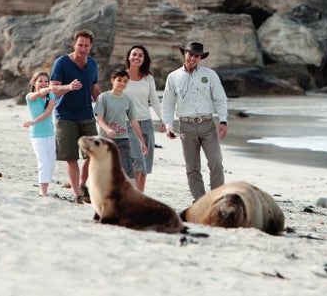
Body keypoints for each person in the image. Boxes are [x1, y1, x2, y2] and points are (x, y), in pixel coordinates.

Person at [162, 41, 229, 200]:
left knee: (216, 163)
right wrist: (169, 126)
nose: (193, 58)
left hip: (207, 125)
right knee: (192, 168)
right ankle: (200, 201)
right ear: (184, 54)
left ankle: (216, 199)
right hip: (186, 126)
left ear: (200, 58)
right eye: (190, 54)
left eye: (197, 56)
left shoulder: (210, 75)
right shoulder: (173, 77)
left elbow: (220, 98)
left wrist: (223, 121)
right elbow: (168, 104)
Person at [50, 29, 101, 204]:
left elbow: (94, 89)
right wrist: (69, 87)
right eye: (80, 45)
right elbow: (54, 89)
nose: (83, 48)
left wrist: (104, 105)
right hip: (65, 116)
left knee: (93, 154)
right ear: (74, 44)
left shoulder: (93, 64)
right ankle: (77, 193)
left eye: (86, 45)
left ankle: (82, 184)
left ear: (91, 46)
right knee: (71, 159)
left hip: (87, 115)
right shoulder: (61, 63)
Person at [123, 44, 165, 192]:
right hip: (127, 124)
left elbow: (154, 100)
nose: (136, 57)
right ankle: (132, 194)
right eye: (134, 54)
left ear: (144, 59)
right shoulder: (122, 76)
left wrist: (163, 120)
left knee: (145, 164)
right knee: (137, 161)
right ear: (129, 57)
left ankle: (139, 195)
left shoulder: (148, 78)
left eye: (140, 55)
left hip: (146, 123)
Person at [94, 67, 148, 180]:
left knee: (127, 171)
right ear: (112, 80)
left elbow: (133, 121)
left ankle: (130, 196)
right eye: (119, 80)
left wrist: (142, 142)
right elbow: (99, 118)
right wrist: (108, 129)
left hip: (123, 139)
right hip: (106, 140)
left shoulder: (127, 100)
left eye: (125, 81)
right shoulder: (103, 97)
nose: (122, 83)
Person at [22, 71, 57, 197]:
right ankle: (43, 192)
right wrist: (33, 124)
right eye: (40, 81)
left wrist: (33, 121)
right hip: (37, 136)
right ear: (34, 82)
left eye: (46, 81)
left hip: (50, 134)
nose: (43, 84)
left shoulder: (51, 96)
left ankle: (45, 187)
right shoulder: (30, 96)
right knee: (43, 163)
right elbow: (39, 93)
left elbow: (48, 113)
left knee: (51, 162)